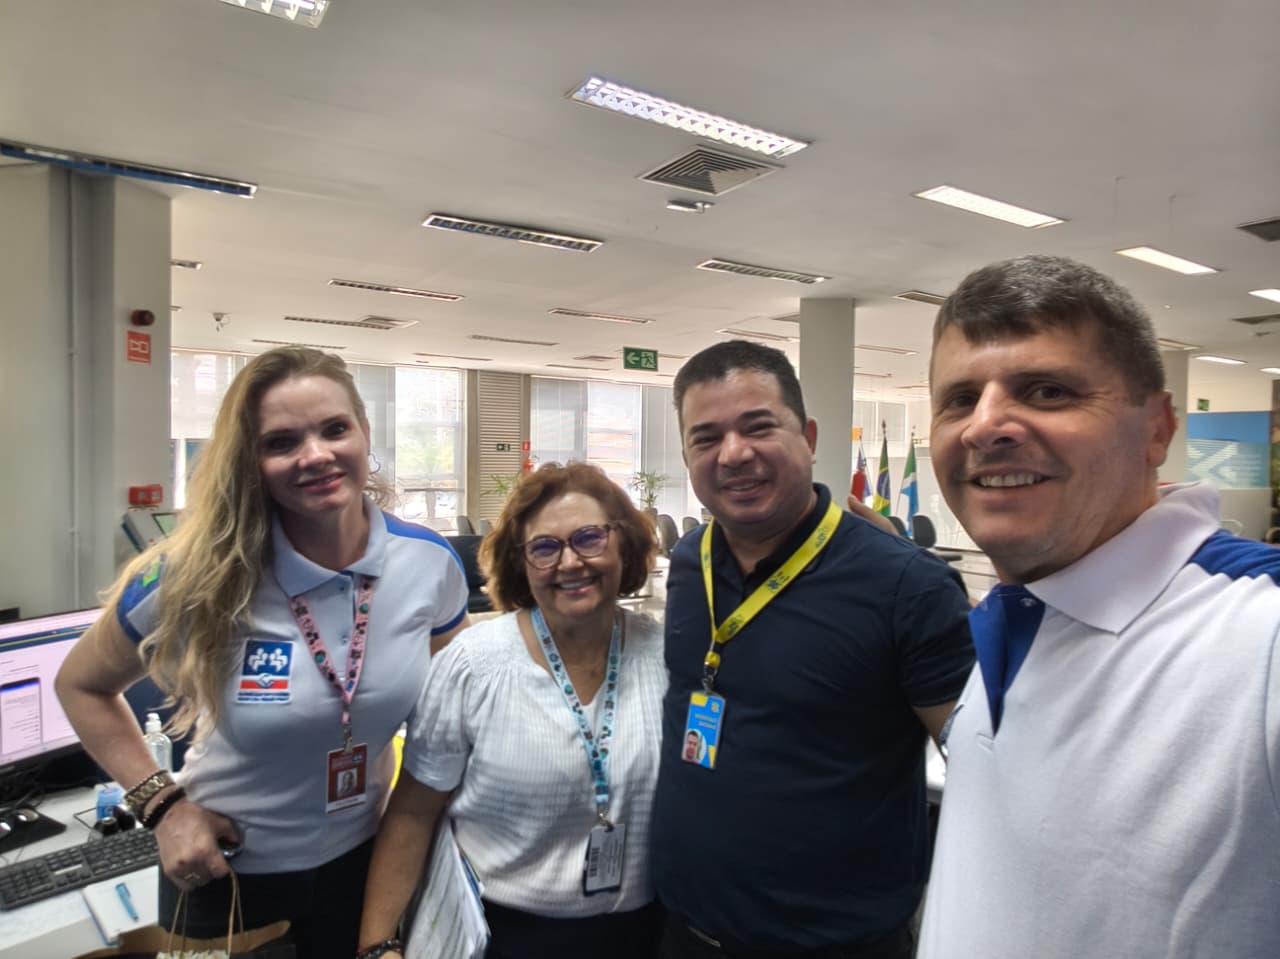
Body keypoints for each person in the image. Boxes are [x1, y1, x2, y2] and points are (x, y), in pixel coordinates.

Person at [916, 255, 1280, 958]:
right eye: (959, 399)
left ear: (1157, 429)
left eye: (1047, 391)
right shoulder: (1024, 609)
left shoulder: (1259, 636)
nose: (985, 425)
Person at [55, 347, 470, 959]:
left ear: (364, 430)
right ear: (250, 460)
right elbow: (80, 685)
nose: (315, 455)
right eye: (281, 442)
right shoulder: (196, 573)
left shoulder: (428, 563)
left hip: (367, 861)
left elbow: (456, 703)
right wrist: (163, 808)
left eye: (335, 429)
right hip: (224, 867)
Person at [652, 340, 974, 958]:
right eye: (706, 438)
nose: (733, 453)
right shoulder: (691, 563)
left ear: (809, 437)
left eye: (758, 426)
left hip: (836, 946)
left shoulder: (906, 586)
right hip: (686, 931)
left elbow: (985, 772)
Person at [357, 462, 666, 959]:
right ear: (520, 563)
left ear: (623, 543)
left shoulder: (667, 657)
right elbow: (413, 813)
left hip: (646, 935)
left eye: (589, 538)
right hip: (500, 936)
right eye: (545, 547)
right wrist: (377, 945)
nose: (570, 562)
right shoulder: (473, 665)